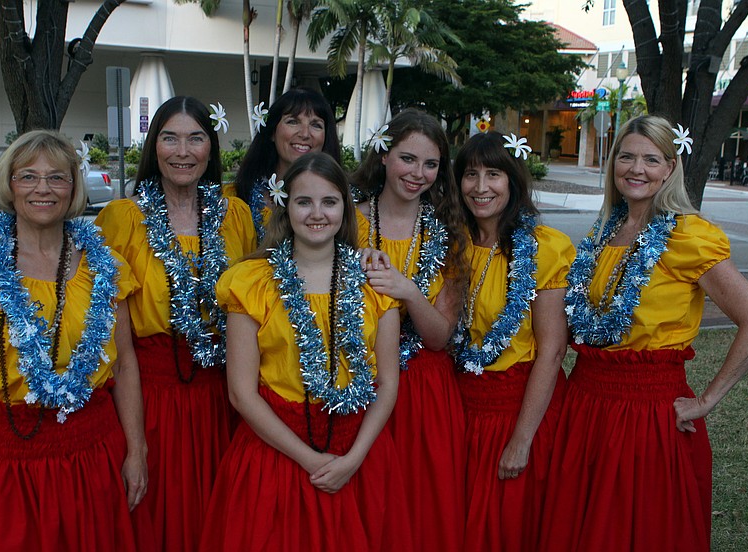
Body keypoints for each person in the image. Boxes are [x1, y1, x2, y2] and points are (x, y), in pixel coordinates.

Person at [539, 115, 748, 551]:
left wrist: (706, 401)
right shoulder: (605, 230)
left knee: (640, 530)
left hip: (647, 412)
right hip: (586, 402)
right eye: (626, 156)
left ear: (669, 168)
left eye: (651, 159)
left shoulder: (686, 236)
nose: (636, 168)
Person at [0, 130, 149, 550]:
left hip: (91, 460)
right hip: (1, 467)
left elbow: (123, 366)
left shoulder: (105, 269)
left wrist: (136, 452)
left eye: (57, 177)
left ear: (73, 187)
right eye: (28, 176)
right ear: (9, 186)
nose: (43, 188)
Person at [199, 152, 412, 551]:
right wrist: (310, 460)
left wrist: (352, 459)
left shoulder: (374, 283)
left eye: (329, 202)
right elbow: (240, 393)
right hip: (276, 455)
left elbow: (387, 384)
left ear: (344, 209)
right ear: (286, 206)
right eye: (304, 201)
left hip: (357, 456)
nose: (317, 213)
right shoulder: (251, 282)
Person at [95, 95, 256, 552]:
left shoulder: (235, 215)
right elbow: (107, 324)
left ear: (211, 148)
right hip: (150, 396)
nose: (182, 151)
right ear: (153, 146)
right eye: (170, 138)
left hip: (221, 394)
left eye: (195, 138)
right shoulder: (123, 219)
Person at [447, 132, 574, 552]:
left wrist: (521, 439)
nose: (480, 187)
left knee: (509, 528)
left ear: (513, 180)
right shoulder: (452, 245)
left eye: (494, 174)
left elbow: (552, 350)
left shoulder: (544, 249)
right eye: (470, 174)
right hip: (463, 409)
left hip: (520, 409)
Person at [351, 108, 469, 552]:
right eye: (407, 158)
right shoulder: (345, 221)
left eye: (431, 164)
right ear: (383, 155)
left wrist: (409, 292)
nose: (418, 173)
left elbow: (439, 336)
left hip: (425, 394)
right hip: (360, 384)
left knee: (423, 519)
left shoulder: (449, 234)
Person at [226, 87, 340, 242]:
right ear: (272, 132)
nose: (305, 134)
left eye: (316, 125)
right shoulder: (235, 201)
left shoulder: (343, 201)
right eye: (293, 122)